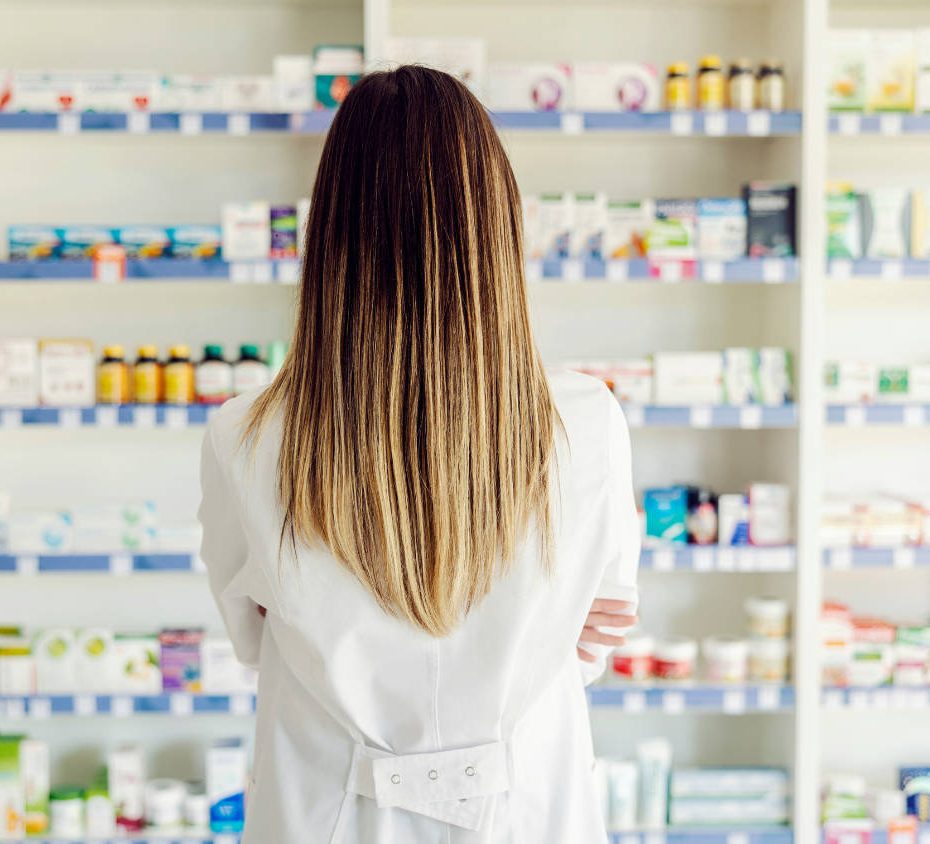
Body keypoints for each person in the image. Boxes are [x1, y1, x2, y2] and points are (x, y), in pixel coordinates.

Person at [198, 65, 641, 843]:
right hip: (527, 815)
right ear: (496, 227)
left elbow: (256, 634)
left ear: (329, 231)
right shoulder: (586, 423)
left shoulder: (246, 438)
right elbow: (596, 628)